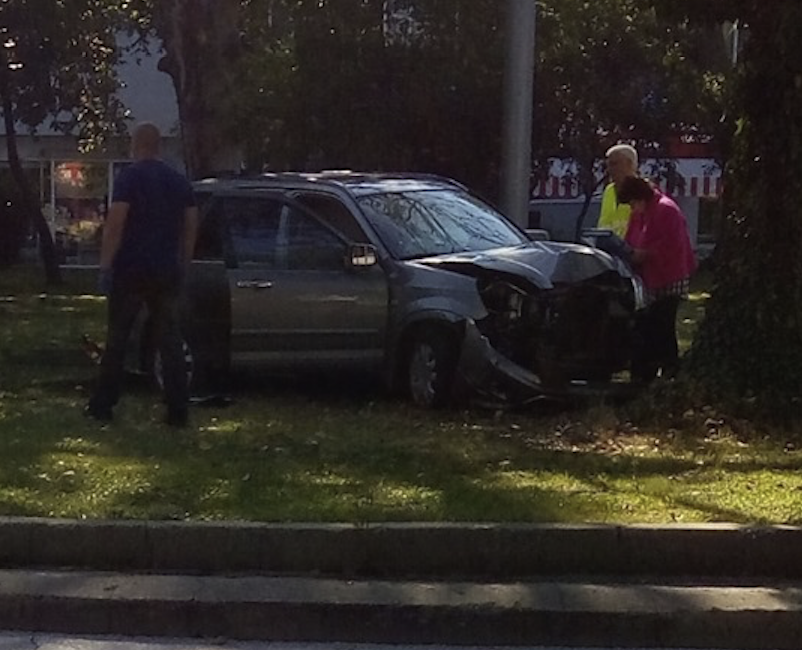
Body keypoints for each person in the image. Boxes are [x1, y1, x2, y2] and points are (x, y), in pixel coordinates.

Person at [85, 122, 199, 427]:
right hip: (166, 270)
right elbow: (190, 226)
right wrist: (183, 264)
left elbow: (116, 224)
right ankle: (178, 409)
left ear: (136, 146)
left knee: (118, 338)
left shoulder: (129, 178)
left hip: (131, 269)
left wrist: (105, 267)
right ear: (159, 146)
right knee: (170, 340)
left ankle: (104, 403)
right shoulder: (178, 181)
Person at [616, 176, 696, 383]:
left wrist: (643, 254)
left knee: (663, 327)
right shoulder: (640, 214)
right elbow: (631, 240)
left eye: (633, 202)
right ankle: (645, 374)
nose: (632, 207)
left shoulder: (666, 210)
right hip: (648, 279)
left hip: (669, 278)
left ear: (640, 196)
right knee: (647, 328)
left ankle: (670, 372)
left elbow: (671, 248)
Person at [598, 144, 639, 237]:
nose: (609, 170)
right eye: (608, 165)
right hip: (610, 249)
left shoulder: (642, 193)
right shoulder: (609, 191)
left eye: (614, 164)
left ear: (629, 164)